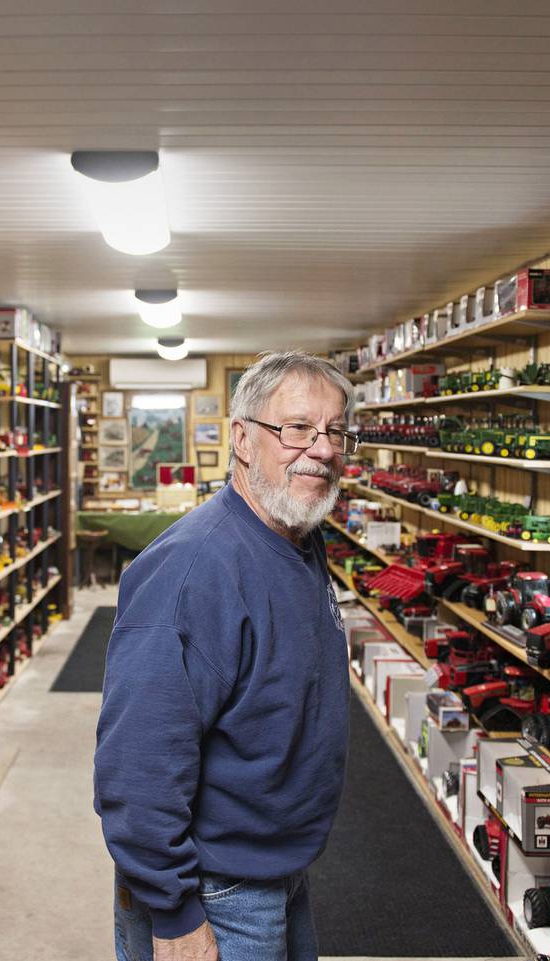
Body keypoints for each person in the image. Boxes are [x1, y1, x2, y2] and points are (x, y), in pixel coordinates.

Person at [94, 350, 357, 961]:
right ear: (242, 439)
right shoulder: (194, 569)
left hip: (276, 867)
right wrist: (176, 914)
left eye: (335, 431)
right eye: (296, 429)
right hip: (213, 890)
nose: (321, 449)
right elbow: (138, 766)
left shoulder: (298, 535)